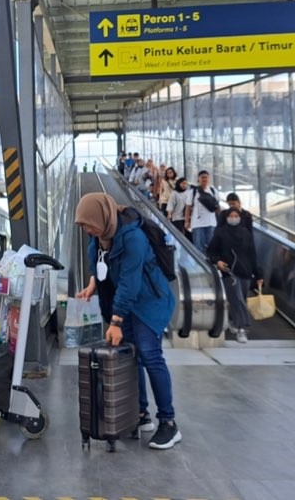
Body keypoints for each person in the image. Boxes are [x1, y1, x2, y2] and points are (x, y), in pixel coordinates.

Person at [75, 193, 181, 450]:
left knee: (149, 354)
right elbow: (102, 268)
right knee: (129, 355)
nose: (87, 229)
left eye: (89, 224)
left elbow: (130, 282)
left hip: (149, 301)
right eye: (83, 225)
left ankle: (168, 423)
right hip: (128, 302)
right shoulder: (98, 238)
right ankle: (139, 414)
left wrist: (116, 321)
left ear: (103, 216)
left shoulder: (132, 237)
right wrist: (93, 284)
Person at [206, 207, 263, 344]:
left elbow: (252, 254)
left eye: (236, 215)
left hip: (245, 271)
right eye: (231, 215)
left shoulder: (246, 233)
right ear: (226, 218)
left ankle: (232, 320)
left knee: (240, 298)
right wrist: (217, 261)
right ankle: (241, 328)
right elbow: (211, 251)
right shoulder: (220, 232)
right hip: (229, 270)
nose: (234, 218)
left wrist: (258, 274)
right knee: (237, 299)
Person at [185, 170, 220, 253]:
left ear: (209, 179)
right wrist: (187, 221)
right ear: (198, 179)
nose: (204, 179)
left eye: (206, 177)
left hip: (211, 223)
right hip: (197, 224)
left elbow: (217, 207)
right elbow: (188, 207)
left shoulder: (213, 191)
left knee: (211, 247)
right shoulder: (193, 192)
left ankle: (210, 265)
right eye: (202, 177)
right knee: (198, 247)